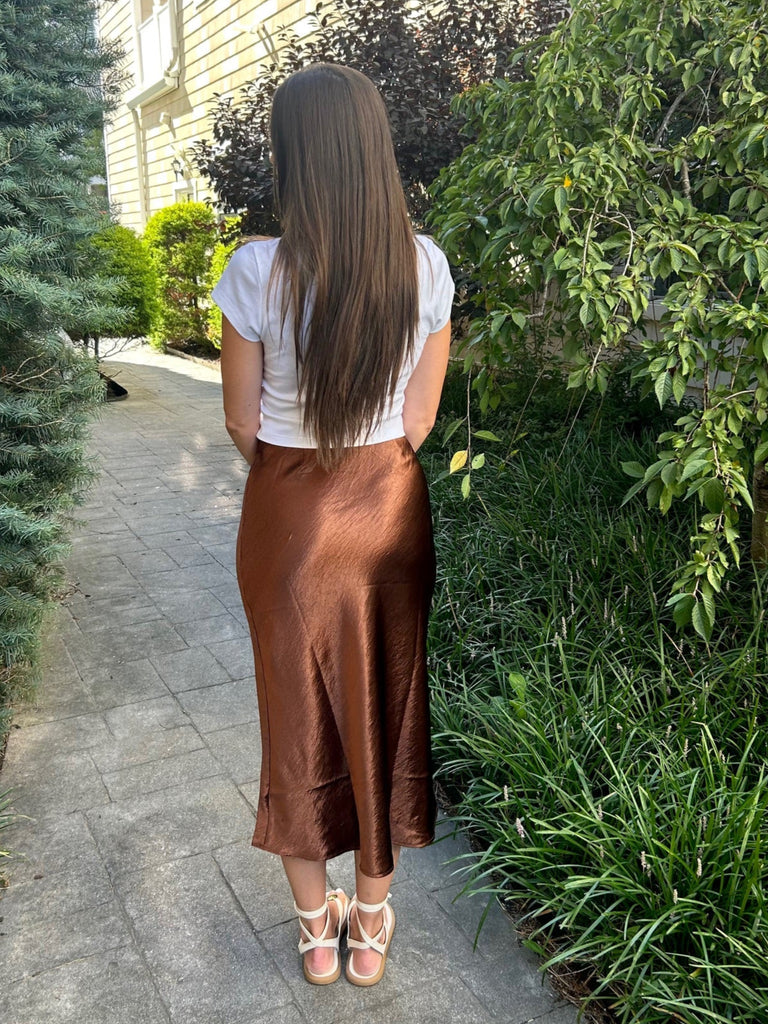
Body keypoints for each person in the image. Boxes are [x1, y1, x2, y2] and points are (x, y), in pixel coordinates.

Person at [211, 62, 454, 988]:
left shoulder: (253, 269)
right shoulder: (424, 265)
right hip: (389, 508)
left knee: (296, 713)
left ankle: (319, 934)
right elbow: (421, 418)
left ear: (294, 156)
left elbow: (241, 420)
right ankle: (375, 920)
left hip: (289, 512)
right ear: (373, 151)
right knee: (384, 706)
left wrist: (293, 486)